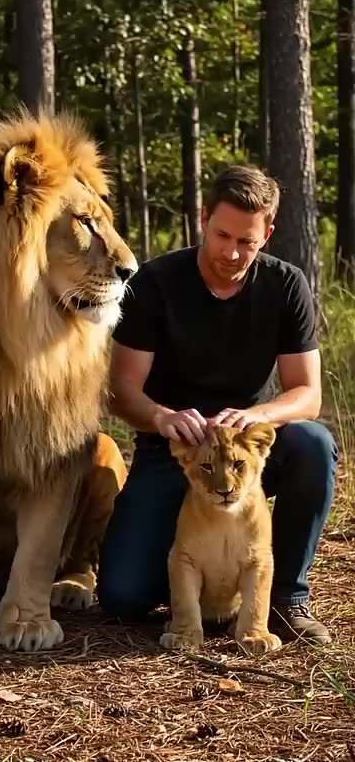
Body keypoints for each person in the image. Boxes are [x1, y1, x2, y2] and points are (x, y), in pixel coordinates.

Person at [98, 165, 337, 645]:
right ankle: (195, 577)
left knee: (313, 444)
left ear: (267, 234)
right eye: (222, 234)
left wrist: (259, 415)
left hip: (244, 444)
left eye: (247, 242)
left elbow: (307, 394)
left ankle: (286, 597)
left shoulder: (285, 285)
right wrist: (163, 418)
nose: (232, 253)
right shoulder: (156, 282)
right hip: (174, 449)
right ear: (203, 218)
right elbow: (121, 393)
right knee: (123, 597)